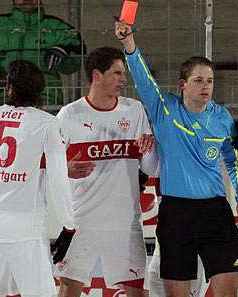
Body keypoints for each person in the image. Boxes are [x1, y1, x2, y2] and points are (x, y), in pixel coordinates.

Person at [116, 20, 238, 297]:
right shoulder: (165, 109)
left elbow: (234, 158)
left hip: (216, 213)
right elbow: (143, 77)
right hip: (177, 213)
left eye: (210, 81)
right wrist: (128, 43)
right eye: (199, 80)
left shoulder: (222, 118)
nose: (206, 86)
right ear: (183, 85)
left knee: (229, 292)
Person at [0, 59, 76, 297]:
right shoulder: (47, 124)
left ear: (9, 88)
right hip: (27, 227)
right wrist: (68, 225)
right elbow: (58, 178)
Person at [54, 46, 157, 297]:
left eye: (124, 74)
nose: (124, 79)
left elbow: (150, 169)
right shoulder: (69, 115)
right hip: (82, 221)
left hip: (125, 222)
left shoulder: (134, 111)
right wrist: (66, 169)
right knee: (69, 288)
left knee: (135, 291)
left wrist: (149, 150)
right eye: (117, 73)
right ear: (97, 75)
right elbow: (49, 168)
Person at [0, 0, 85, 106]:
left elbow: (76, 48)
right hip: (3, 100)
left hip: (44, 101)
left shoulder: (56, 27)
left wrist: (64, 52)